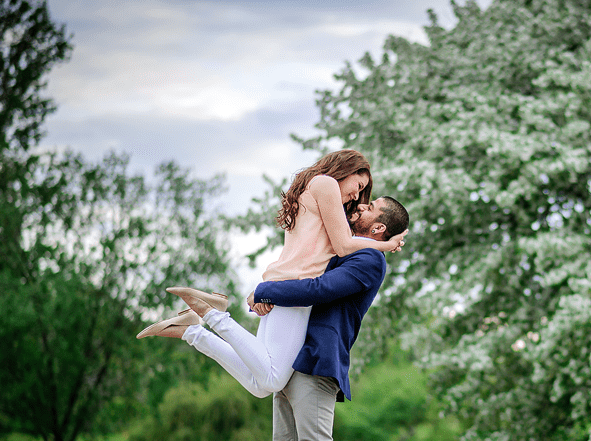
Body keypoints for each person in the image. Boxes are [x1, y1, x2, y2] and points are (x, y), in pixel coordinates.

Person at [135, 150, 406, 400]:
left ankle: (193, 332)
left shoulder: (315, 187)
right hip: (296, 288)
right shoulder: (326, 185)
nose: (357, 197)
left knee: (259, 385)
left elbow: (343, 238)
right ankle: (212, 313)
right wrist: (386, 244)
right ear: (346, 170)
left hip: (283, 283)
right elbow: (345, 245)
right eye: (357, 187)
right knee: (274, 380)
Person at [248, 194, 410, 441]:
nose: (359, 206)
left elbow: (319, 290)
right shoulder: (346, 248)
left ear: (379, 226)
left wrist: (265, 290)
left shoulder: (370, 260)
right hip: (289, 356)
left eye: (369, 208)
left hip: (318, 361)